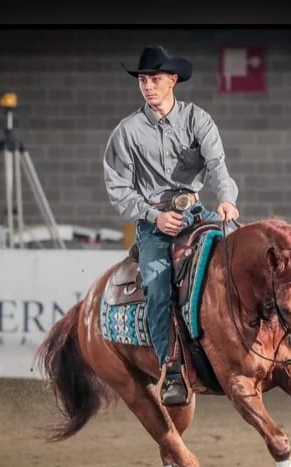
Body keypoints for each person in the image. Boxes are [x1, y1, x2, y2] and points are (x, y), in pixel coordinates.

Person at [103, 45, 240, 406]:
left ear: (172, 80)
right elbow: (119, 188)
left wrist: (226, 198)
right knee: (156, 281)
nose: (148, 86)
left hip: (196, 212)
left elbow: (217, 166)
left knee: (243, 251)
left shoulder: (197, 120)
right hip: (153, 223)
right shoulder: (127, 132)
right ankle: (172, 368)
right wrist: (153, 217)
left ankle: (251, 342)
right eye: (143, 80)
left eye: (155, 79)